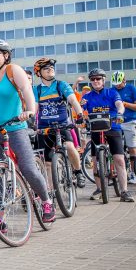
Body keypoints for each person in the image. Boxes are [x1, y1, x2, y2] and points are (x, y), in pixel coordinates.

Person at [0, 39, 55, 228]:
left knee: (28, 168)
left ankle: (47, 201)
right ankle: (0, 219)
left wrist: (30, 111)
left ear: (6, 55)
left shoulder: (13, 70)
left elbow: (27, 91)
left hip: (15, 128)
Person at [81, 68, 134, 202]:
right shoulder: (86, 96)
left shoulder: (112, 92)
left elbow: (119, 104)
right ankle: (99, 189)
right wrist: (80, 116)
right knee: (95, 160)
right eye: (93, 79)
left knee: (119, 160)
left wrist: (120, 113)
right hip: (95, 130)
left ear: (103, 80)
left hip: (113, 127)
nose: (95, 81)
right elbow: (81, 109)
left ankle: (124, 191)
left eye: (98, 78)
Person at [32, 57, 86, 189]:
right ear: (39, 73)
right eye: (46, 68)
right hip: (44, 128)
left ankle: (78, 171)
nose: (50, 69)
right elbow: (34, 108)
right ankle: (51, 194)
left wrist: (79, 115)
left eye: (51, 67)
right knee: (48, 164)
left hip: (62, 125)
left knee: (69, 146)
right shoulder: (37, 90)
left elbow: (73, 101)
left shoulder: (61, 85)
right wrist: (31, 121)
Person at [110, 71, 136, 185]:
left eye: (119, 83)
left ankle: (135, 174)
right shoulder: (112, 90)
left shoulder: (131, 89)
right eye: (115, 84)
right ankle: (114, 173)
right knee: (114, 149)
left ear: (124, 80)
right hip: (116, 122)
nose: (117, 86)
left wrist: (125, 104)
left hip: (129, 121)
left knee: (132, 148)